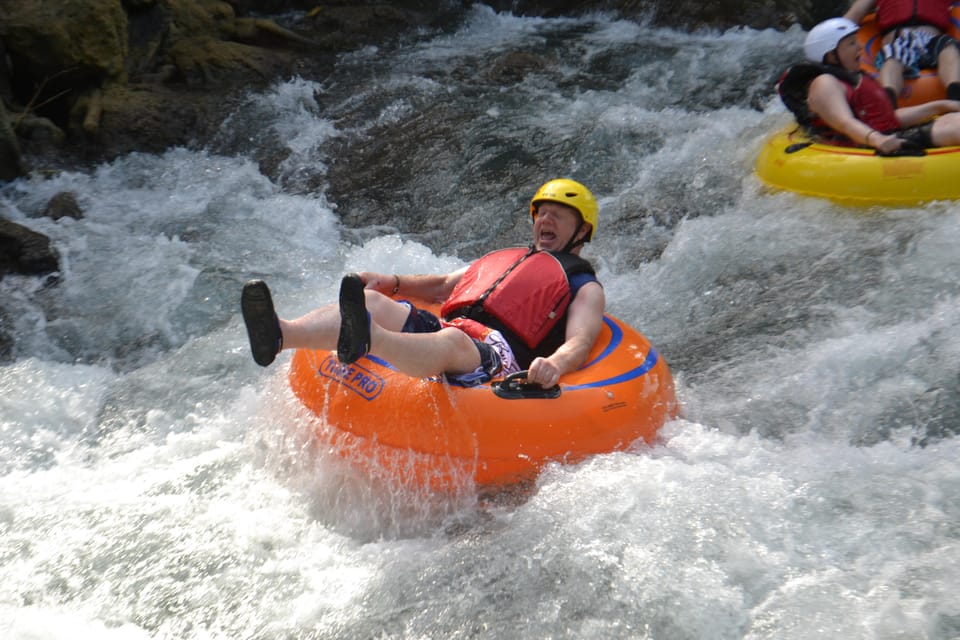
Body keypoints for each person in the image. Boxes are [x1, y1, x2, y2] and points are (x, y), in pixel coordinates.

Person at [240, 178, 605, 389]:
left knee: (452, 341)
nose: (546, 221)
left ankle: (372, 340)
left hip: (498, 359)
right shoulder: (505, 259)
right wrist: (393, 282)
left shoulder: (583, 285)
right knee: (370, 302)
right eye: (541, 214)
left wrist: (554, 365)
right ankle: (281, 334)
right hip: (449, 327)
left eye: (557, 216)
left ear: (582, 230)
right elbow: (446, 286)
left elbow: (581, 341)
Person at [778, 17, 960, 155]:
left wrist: (941, 106)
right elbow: (845, 123)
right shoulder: (824, 84)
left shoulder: (852, 78)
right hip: (865, 145)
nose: (859, 48)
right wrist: (878, 140)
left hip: (886, 133)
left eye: (856, 41)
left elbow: (886, 118)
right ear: (831, 56)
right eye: (851, 44)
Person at [844, 0, 960, 106]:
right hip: (899, 40)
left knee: (949, 48)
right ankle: (888, 102)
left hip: (932, 39)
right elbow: (853, 16)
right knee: (893, 58)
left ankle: (955, 94)